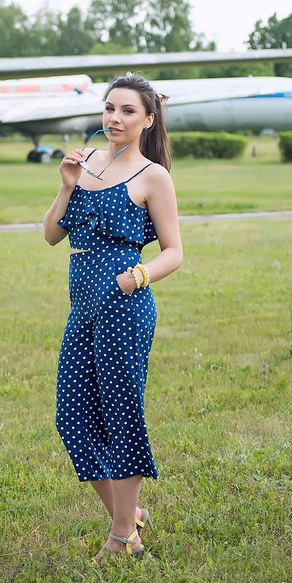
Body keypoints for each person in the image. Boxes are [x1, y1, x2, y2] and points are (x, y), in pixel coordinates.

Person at [42, 72, 185, 557]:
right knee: (72, 417)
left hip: (125, 308)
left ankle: (122, 537)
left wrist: (135, 277)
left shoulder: (153, 176)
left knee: (121, 416)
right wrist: (66, 186)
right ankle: (132, 514)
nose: (114, 118)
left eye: (127, 111)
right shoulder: (84, 165)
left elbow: (174, 252)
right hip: (81, 307)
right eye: (109, 109)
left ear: (147, 120)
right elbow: (51, 235)